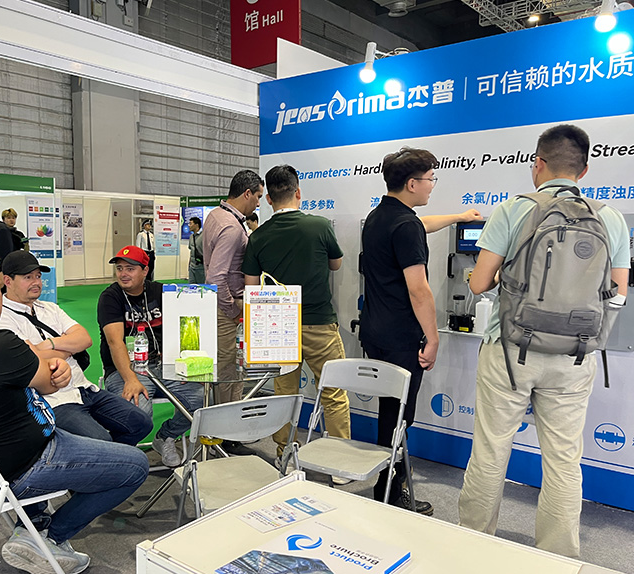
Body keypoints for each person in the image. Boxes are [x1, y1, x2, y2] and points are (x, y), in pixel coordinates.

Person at [0, 257, 149, 574]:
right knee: (135, 465)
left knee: (116, 433)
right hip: (20, 468)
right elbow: (49, 383)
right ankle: (47, 538)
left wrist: (47, 358)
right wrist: (58, 362)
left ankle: (35, 525)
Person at [458, 124, 629, 558]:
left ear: (538, 164)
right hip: (575, 355)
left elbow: (477, 284)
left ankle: (472, 544)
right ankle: (558, 558)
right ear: (584, 171)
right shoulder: (609, 218)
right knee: (564, 460)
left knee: (491, 450)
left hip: (510, 350)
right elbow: (618, 293)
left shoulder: (514, 209)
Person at [361, 147, 482, 515]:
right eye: (430, 179)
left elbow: (421, 224)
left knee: (389, 411)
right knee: (399, 417)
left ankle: (386, 483)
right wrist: (433, 337)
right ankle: (390, 491)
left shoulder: (379, 217)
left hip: (375, 331)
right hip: (402, 338)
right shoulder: (405, 225)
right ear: (412, 184)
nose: (432, 185)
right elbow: (419, 289)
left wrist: (460, 217)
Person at [242, 165, 351, 472]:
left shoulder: (258, 236)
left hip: (278, 326)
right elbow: (336, 264)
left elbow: (251, 287)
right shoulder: (319, 226)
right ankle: (340, 465)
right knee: (333, 392)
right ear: (298, 192)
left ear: (268, 199)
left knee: (284, 394)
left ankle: (285, 454)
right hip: (319, 323)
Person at [0, 250, 153, 445]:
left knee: (140, 423)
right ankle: (103, 456)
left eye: (38, 276)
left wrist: (50, 344)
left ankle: (107, 457)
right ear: (8, 281)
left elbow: (85, 339)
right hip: (52, 399)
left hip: (83, 388)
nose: (36, 282)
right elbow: (32, 358)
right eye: (28, 277)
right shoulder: (1, 317)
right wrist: (68, 347)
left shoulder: (50, 308)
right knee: (101, 440)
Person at [98, 245, 204, 467]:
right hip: (125, 368)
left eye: (130, 268)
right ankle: (117, 457)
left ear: (145, 271)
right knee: (137, 414)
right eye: (120, 268)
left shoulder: (162, 292)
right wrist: (130, 379)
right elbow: (115, 342)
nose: (123, 274)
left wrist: (182, 362)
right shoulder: (110, 297)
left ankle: (166, 436)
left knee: (202, 400)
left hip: (163, 364)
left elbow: (183, 328)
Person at [203, 170, 263, 407]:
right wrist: (233, 309)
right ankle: (225, 424)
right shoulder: (231, 227)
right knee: (229, 371)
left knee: (229, 369)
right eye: (258, 196)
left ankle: (227, 421)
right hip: (227, 308)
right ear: (247, 193)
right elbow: (216, 276)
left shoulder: (216, 215)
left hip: (220, 305)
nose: (258, 203)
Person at [187, 216, 205, 284]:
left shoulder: (204, 236)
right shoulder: (191, 237)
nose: (189, 225)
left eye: (190, 223)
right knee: (191, 286)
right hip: (192, 267)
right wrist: (189, 265)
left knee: (201, 286)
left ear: (196, 225)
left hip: (201, 267)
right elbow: (191, 251)